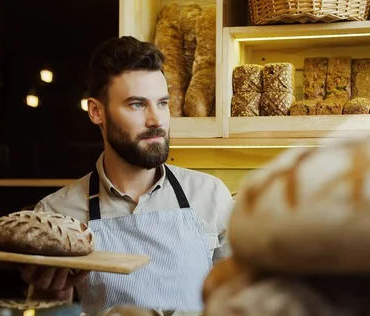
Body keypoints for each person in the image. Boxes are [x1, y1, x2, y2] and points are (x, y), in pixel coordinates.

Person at [18, 36, 234, 313]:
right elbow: (44, 312)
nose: (156, 120)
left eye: (163, 103)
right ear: (96, 111)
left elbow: (239, 301)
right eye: (137, 104)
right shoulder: (58, 214)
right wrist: (53, 295)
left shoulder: (210, 195)